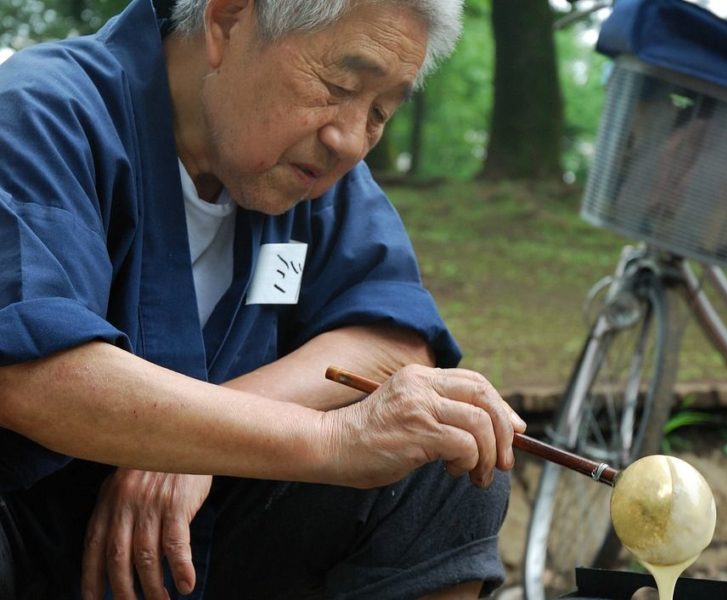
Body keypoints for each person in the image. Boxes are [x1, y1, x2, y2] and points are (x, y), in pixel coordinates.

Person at [0, 0, 526, 598]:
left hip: (208, 538)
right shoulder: (44, 110)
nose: (351, 140)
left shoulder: (311, 173)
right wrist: (329, 441)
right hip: (29, 537)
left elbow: (393, 337)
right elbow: (28, 372)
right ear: (226, 22)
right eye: (338, 86)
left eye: (379, 111)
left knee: (443, 458)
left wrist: (195, 445)